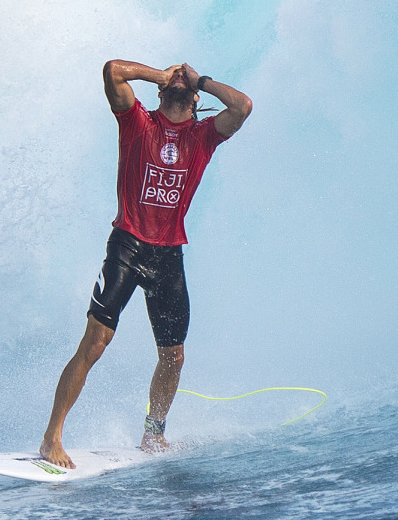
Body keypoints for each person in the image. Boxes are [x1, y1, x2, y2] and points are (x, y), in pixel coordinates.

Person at [38, 60, 253, 468]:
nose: (177, 82)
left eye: (183, 83)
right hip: (127, 247)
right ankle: (52, 438)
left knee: (174, 357)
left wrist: (200, 80)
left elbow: (242, 106)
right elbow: (112, 71)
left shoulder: (203, 137)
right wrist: (162, 75)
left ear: (194, 99)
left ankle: (153, 435)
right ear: (159, 93)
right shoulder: (138, 122)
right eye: (170, 81)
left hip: (168, 255)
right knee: (96, 343)